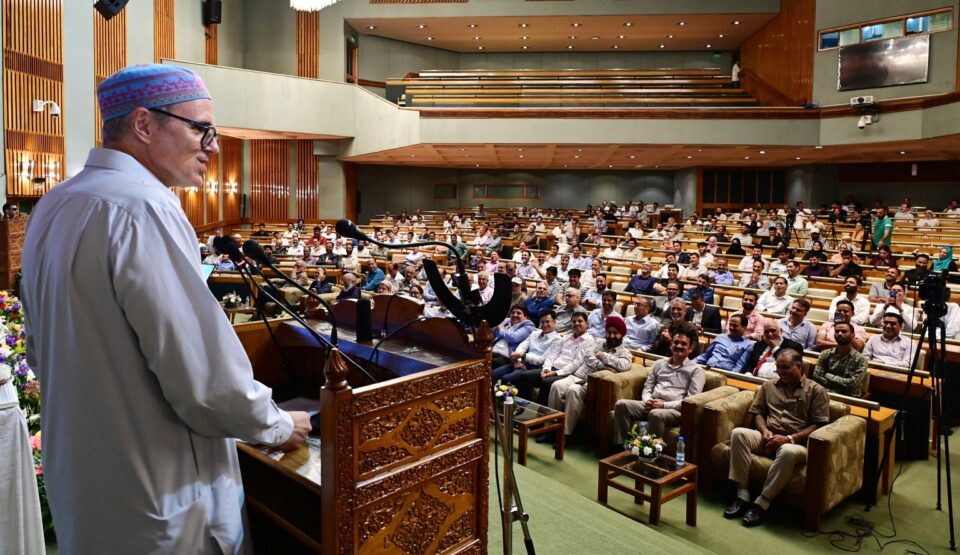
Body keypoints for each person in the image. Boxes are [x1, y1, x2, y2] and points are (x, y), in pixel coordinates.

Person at [21, 64, 311, 553]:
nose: (212, 146)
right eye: (200, 129)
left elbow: (37, 350)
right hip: (161, 493)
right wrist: (279, 425)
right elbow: (203, 378)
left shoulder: (54, 204)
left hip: (87, 485)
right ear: (143, 124)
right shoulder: (144, 208)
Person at [723, 349, 829, 527]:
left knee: (787, 451)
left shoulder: (816, 391)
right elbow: (758, 412)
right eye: (778, 367)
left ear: (799, 367)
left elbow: (819, 425)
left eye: (785, 367)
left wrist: (789, 438)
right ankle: (742, 495)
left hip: (797, 443)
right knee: (738, 434)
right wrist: (764, 430)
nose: (780, 372)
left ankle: (762, 503)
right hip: (769, 436)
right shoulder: (769, 386)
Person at [613, 324, 704, 440]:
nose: (678, 346)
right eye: (676, 342)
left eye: (683, 344)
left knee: (656, 414)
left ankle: (651, 449)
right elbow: (648, 387)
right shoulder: (659, 364)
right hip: (651, 403)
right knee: (621, 405)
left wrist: (663, 405)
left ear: (691, 348)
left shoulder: (696, 370)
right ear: (671, 344)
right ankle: (623, 446)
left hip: (674, 410)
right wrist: (648, 400)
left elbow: (689, 402)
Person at [549, 317, 631, 438]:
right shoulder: (598, 343)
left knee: (573, 391)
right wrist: (603, 366)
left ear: (622, 335)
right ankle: (551, 427)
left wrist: (602, 355)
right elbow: (587, 356)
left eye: (615, 333)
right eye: (609, 332)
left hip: (590, 383)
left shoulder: (625, 353)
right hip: (578, 375)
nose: (611, 336)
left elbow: (622, 365)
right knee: (556, 386)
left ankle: (564, 434)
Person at [510, 311, 595, 405]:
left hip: (565, 373)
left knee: (546, 382)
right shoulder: (566, 338)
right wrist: (546, 369)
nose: (576, 323)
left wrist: (555, 373)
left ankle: (541, 411)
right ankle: (523, 407)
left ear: (587, 323)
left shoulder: (589, 341)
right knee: (525, 376)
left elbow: (576, 363)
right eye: (574, 321)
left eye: (580, 321)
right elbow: (552, 355)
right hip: (552, 368)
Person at [493, 310, 561, 383]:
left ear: (554, 322)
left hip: (535, 368)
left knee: (507, 378)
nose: (544, 324)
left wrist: (523, 356)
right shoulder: (534, 333)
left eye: (547, 322)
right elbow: (522, 347)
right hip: (522, 362)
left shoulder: (557, 340)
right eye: (542, 322)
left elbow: (542, 360)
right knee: (493, 374)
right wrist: (517, 360)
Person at [812, 322, 869, 397]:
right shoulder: (825, 354)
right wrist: (841, 383)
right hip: (825, 394)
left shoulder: (861, 360)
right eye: (837, 331)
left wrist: (828, 375)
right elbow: (817, 376)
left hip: (848, 398)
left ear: (853, 335)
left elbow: (853, 384)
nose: (839, 334)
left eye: (844, 331)